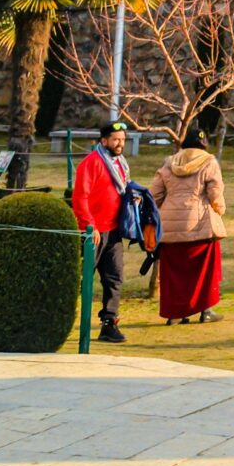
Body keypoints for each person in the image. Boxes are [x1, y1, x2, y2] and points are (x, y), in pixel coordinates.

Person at [69, 120, 140, 343]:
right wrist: (90, 226)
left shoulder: (120, 164)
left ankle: (109, 324)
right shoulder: (91, 163)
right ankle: (63, 318)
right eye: (116, 140)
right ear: (104, 140)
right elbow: (81, 197)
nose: (120, 144)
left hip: (114, 231)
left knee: (114, 277)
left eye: (122, 140)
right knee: (81, 278)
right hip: (94, 232)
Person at [153, 128, 226, 324]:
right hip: (199, 224)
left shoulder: (169, 163)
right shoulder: (209, 162)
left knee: (174, 272)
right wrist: (220, 209)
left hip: (170, 226)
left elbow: (155, 195)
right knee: (204, 271)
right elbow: (215, 193)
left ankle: (175, 313)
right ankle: (205, 310)